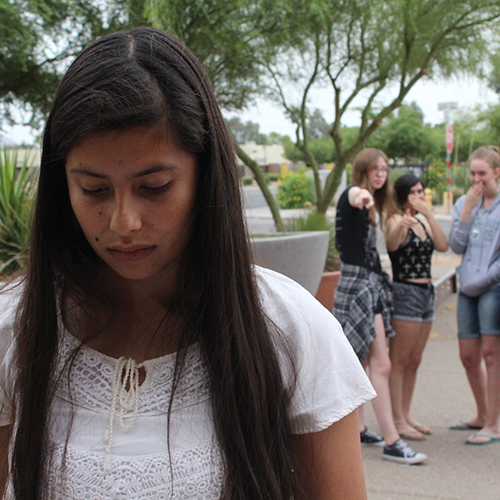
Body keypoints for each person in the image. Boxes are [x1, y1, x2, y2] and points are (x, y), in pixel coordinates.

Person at [0, 27, 376, 499]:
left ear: (205, 176)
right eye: (93, 189)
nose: (123, 222)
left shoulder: (290, 329)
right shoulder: (16, 325)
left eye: (154, 186)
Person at [334, 149, 427, 464]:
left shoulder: (375, 207)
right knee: (381, 363)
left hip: (367, 284)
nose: (381, 174)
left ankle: (359, 427)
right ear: (362, 171)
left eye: (385, 169)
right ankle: (392, 440)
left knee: (360, 360)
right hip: (359, 285)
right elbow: (355, 194)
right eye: (375, 169)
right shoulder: (354, 195)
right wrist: (363, 198)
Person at [385, 174, 448, 441]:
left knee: (415, 360)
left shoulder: (424, 219)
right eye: (414, 192)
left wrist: (429, 216)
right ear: (402, 196)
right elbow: (391, 244)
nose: (420, 196)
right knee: (399, 360)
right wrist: (403, 225)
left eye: (422, 191)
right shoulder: (396, 219)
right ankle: (396, 419)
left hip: (427, 292)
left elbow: (444, 246)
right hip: (405, 291)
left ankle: (407, 414)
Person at [449, 146, 500, 445]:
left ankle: (494, 424)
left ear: (496, 172)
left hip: (493, 288)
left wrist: (482, 280)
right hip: (467, 289)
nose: (476, 179)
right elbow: (456, 245)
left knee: (492, 356)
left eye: (482, 173)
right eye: (472, 173)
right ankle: (481, 414)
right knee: (468, 356)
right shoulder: (463, 203)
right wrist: (467, 209)